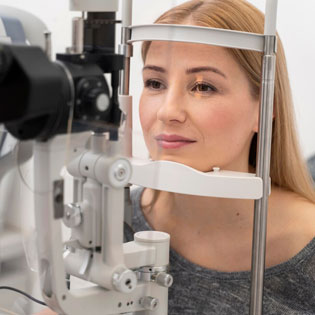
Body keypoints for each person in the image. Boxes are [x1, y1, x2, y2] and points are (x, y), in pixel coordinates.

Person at [37, 0, 315, 314]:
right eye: (155, 83)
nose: (168, 111)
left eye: (204, 87)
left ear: (265, 108)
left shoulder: (308, 245)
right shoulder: (112, 218)